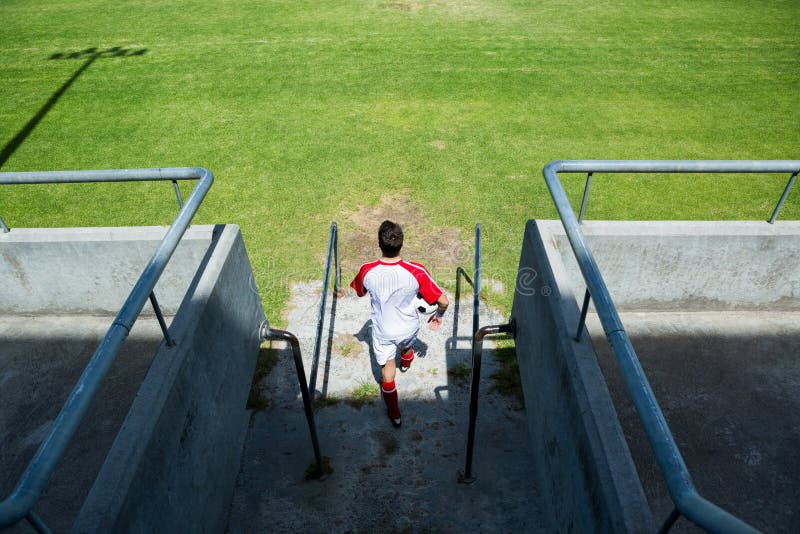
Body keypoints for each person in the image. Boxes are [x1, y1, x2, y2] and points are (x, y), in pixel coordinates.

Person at [350, 220, 449, 428]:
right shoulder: (417, 271)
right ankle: (407, 359)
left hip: (383, 331)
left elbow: (359, 292)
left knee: (388, 372)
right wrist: (438, 315)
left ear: (379, 244)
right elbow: (443, 301)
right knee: (405, 345)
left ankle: (395, 414)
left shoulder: (367, 270)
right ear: (402, 244)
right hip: (408, 328)